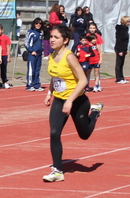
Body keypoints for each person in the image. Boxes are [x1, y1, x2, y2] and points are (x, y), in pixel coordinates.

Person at [43, 24, 104, 182]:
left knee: (84, 135)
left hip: (77, 100)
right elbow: (56, 77)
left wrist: (70, 100)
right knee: (54, 133)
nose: (52, 40)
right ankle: (57, 171)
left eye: (56, 37)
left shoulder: (70, 57)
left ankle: (95, 112)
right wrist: (50, 93)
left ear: (65, 40)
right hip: (59, 100)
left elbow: (83, 80)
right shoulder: (51, 55)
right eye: (51, 36)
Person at [25, 18, 45, 92]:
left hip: (39, 54)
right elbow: (26, 43)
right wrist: (31, 51)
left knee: (37, 70)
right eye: (37, 23)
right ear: (34, 24)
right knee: (31, 70)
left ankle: (37, 84)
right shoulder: (30, 32)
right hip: (32, 54)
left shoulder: (40, 33)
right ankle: (30, 84)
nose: (38, 25)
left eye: (40, 23)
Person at [87, 23, 104, 92]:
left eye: (94, 28)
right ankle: (86, 86)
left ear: (96, 29)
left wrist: (100, 58)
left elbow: (99, 50)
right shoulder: (86, 36)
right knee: (87, 72)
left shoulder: (98, 36)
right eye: (91, 28)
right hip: (89, 59)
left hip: (96, 59)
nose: (92, 29)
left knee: (96, 72)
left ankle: (97, 85)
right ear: (88, 29)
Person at [115, 16, 130, 84]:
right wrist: (120, 50)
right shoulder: (120, 29)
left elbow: (126, 41)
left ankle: (122, 77)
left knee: (122, 64)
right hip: (119, 48)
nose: (129, 23)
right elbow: (119, 40)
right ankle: (118, 78)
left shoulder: (126, 28)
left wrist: (125, 49)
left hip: (123, 48)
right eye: (128, 21)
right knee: (119, 63)